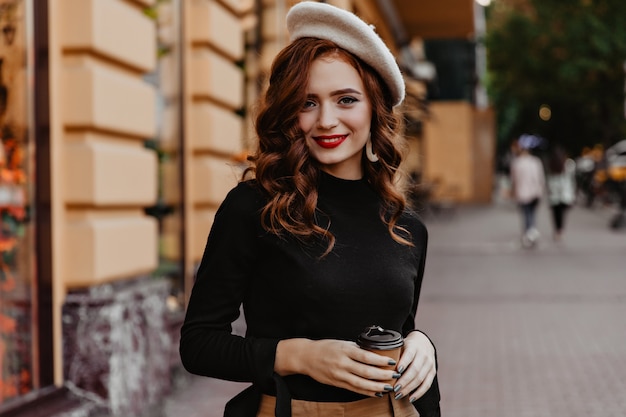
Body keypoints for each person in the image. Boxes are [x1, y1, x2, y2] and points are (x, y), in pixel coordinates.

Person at [179, 2, 440, 417]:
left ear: (374, 109)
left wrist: (421, 344)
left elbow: (393, 328)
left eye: (346, 100)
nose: (326, 120)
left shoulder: (406, 226)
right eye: (307, 103)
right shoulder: (254, 207)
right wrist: (299, 357)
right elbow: (199, 344)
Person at [510, 134, 545, 248]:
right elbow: (540, 178)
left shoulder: (517, 163)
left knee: (526, 214)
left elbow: (514, 180)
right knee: (532, 214)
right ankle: (531, 232)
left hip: (522, 192)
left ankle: (529, 233)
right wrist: (540, 190)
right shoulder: (536, 162)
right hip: (535, 192)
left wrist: (513, 192)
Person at [545, 146, 576, 241]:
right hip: (565, 194)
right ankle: (560, 230)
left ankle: (557, 231)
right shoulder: (569, 164)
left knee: (556, 214)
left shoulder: (551, 164)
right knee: (562, 214)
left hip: (554, 195)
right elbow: (572, 180)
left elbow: (549, 180)